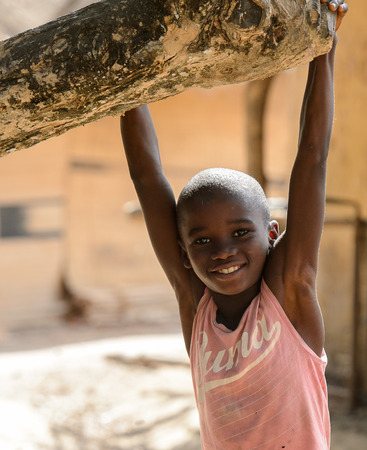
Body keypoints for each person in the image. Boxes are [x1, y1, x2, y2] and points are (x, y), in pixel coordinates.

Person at [120, 1, 348, 447]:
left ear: (273, 235)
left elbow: (313, 156)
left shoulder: (289, 295)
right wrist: (128, 82)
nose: (223, 250)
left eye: (241, 232)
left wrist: (326, 46)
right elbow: (147, 180)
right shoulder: (195, 306)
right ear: (183, 252)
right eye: (202, 240)